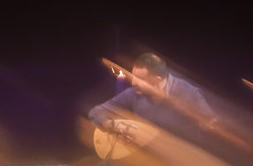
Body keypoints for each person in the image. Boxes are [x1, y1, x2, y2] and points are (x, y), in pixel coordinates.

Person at [88, 52, 218, 147]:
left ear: (157, 80)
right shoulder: (134, 93)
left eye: (140, 79)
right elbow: (95, 111)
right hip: (147, 158)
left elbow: (210, 123)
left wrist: (208, 124)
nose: (133, 82)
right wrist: (113, 125)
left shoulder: (189, 92)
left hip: (183, 161)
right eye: (133, 76)